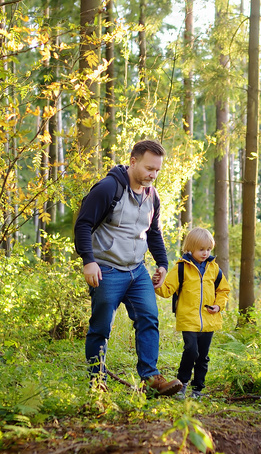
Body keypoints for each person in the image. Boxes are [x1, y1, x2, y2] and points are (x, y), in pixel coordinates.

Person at [73, 140, 183, 396]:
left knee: (148, 318)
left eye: (157, 170)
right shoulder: (108, 188)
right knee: (101, 327)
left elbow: (153, 232)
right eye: (148, 168)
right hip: (107, 269)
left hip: (137, 271)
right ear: (133, 161)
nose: (152, 174)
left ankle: (150, 377)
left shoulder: (152, 195)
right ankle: (96, 381)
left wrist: (162, 263)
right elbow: (83, 224)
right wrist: (88, 261)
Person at [154, 227, 230, 399]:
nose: (205, 253)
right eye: (201, 249)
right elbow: (167, 290)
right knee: (191, 351)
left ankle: (198, 389)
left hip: (208, 320)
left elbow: (223, 290)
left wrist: (218, 306)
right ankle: (181, 384)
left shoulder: (214, 268)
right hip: (188, 319)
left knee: (203, 357)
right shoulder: (181, 268)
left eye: (208, 249)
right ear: (190, 248)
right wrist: (157, 283)